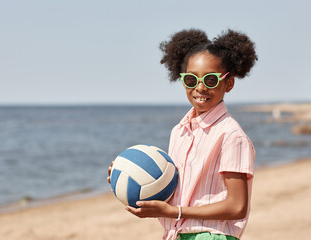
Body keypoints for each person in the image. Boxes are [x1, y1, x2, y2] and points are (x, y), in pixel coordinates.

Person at [108, 28, 257, 240]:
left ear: (229, 83)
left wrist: (175, 212)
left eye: (211, 80)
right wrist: (129, 175)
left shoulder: (232, 136)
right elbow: (178, 192)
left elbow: (237, 206)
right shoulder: (179, 131)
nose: (200, 87)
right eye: (190, 80)